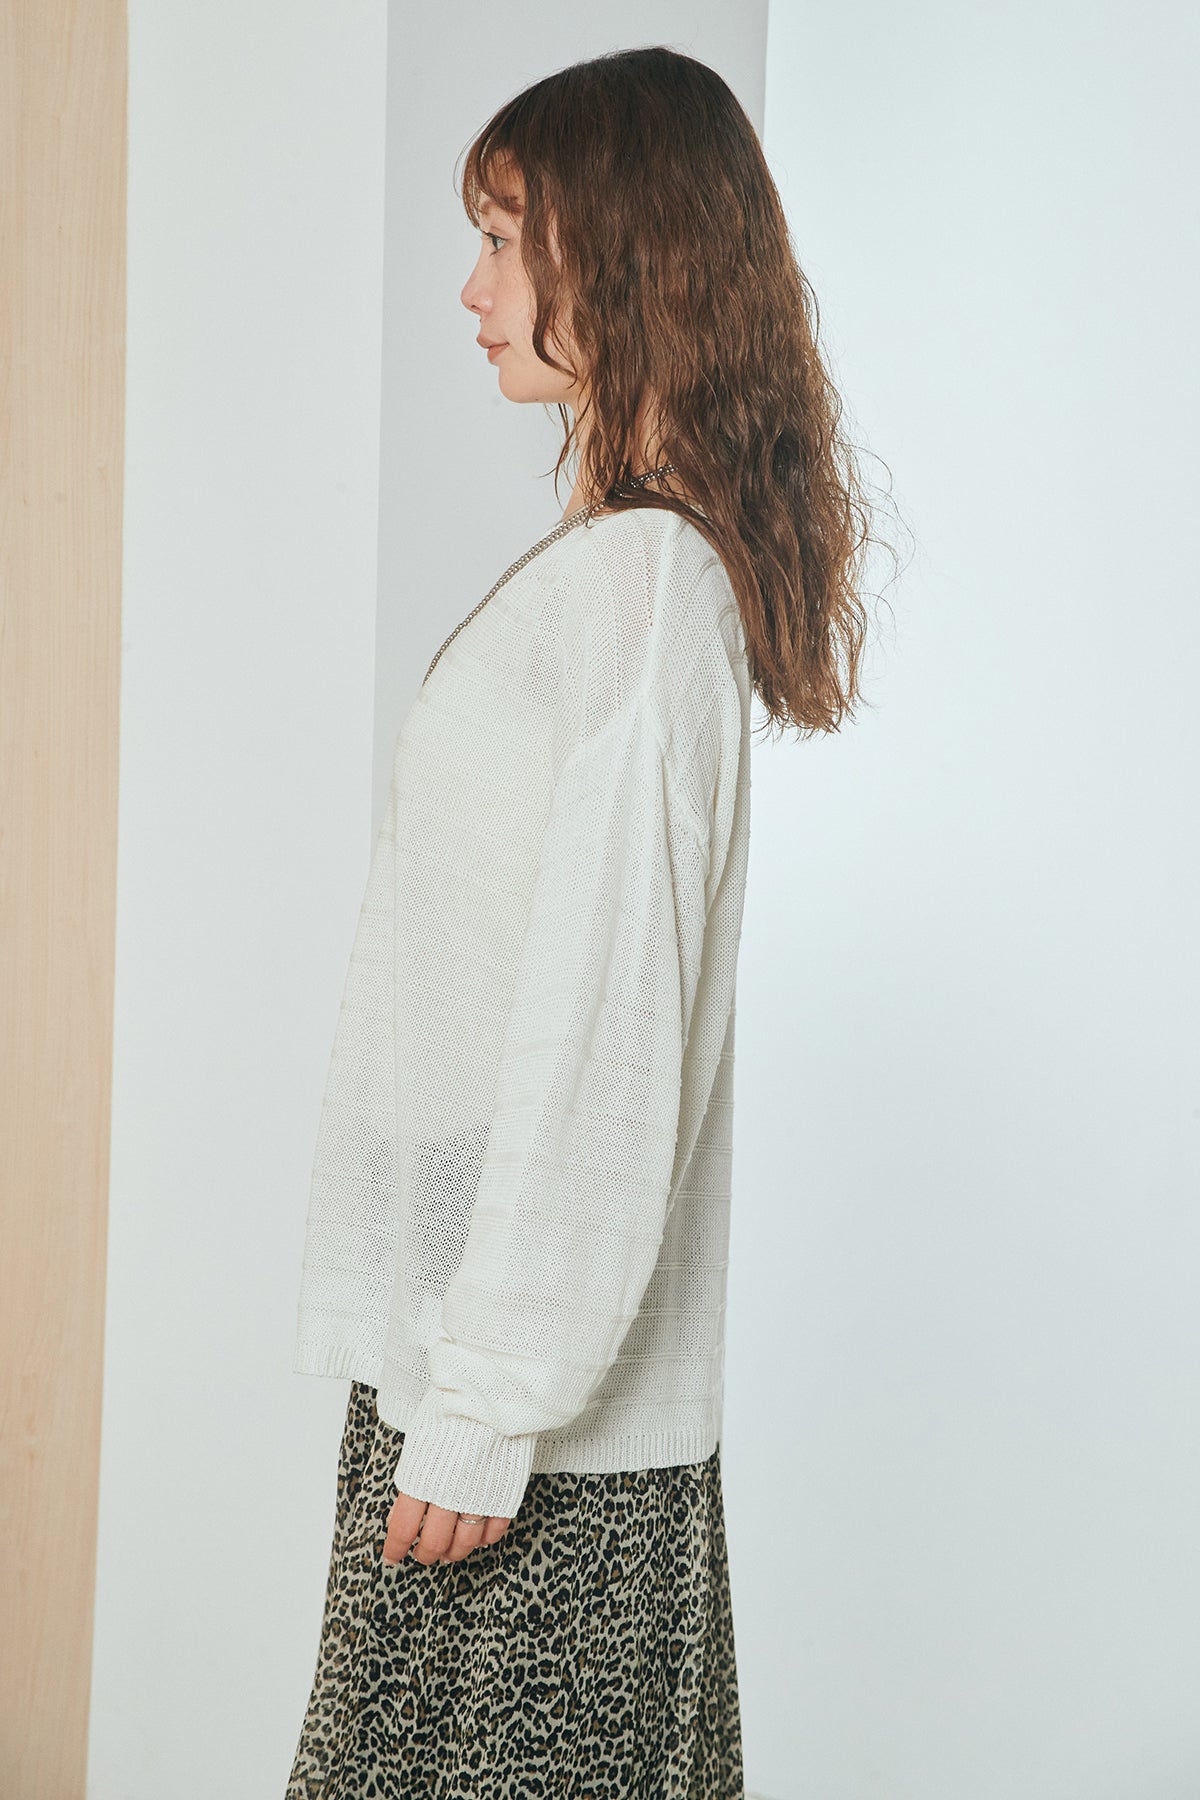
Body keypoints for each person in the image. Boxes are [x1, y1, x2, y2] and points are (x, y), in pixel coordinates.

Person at [286, 42, 889, 1800]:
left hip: (528, 1434)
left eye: (503, 239)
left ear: (617, 255)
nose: (471, 290)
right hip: (487, 1380)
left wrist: (485, 1407)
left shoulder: (646, 591)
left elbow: (599, 1029)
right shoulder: (629, 568)